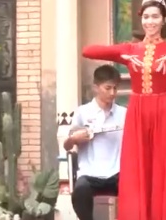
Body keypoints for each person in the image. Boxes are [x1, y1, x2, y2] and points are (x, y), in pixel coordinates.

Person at [82, 0, 166, 220]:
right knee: (138, 167)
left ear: (164, 20)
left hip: (163, 110)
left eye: (155, 17)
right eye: (146, 17)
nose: (150, 21)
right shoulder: (130, 49)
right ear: (140, 20)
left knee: (164, 166)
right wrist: (122, 53)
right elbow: (88, 51)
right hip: (138, 111)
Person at [64, 65, 127, 220]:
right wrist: (74, 139)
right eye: (108, 88)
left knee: (137, 189)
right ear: (96, 88)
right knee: (80, 191)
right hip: (90, 173)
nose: (112, 93)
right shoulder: (82, 112)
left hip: (117, 173)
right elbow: (67, 145)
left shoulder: (124, 113)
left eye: (115, 88)